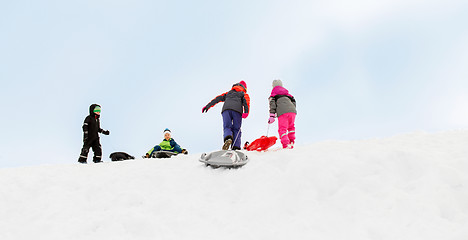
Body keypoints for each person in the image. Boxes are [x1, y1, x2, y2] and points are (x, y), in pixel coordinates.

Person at [202, 80, 250, 150]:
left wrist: (207, 106)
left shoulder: (228, 93)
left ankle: (228, 138)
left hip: (226, 110)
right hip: (237, 111)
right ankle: (235, 146)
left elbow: (217, 99)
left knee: (227, 126)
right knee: (236, 128)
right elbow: (246, 102)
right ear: (245, 88)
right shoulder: (243, 93)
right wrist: (246, 112)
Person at [268, 80, 297, 149]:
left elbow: (272, 105)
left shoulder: (274, 95)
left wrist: (272, 115)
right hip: (292, 111)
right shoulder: (287, 93)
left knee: (282, 129)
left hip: (282, 112)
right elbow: (294, 100)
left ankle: (285, 145)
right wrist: (292, 108)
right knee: (291, 127)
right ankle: (291, 142)